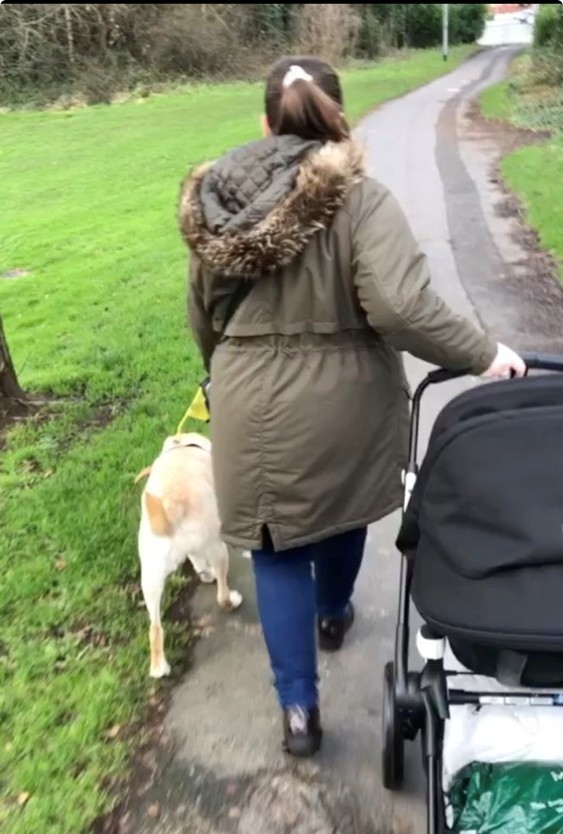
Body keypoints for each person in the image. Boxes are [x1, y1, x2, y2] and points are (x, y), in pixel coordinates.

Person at [178, 55, 525, 758]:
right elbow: (400, 307)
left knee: (274, 549)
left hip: (248, 394)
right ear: (337, 114)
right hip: (345, 398)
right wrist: (482, 353)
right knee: (337, 516)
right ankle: (333, 614)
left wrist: (227, 372)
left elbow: (203, 317)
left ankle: (298, 713)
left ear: (265, 122)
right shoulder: (362, 199)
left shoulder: (215, 202)